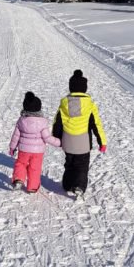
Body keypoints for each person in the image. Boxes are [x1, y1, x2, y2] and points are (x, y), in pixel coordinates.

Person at [53, 69, 107, 197]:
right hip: (83, 143)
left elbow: (57, 123)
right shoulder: (90, 105)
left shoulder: (64, 104)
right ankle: (79, 186)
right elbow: (96, 125)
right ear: (84, 88)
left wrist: (56, 138)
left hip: (68, 142)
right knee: (82, 166)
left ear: (71, 88)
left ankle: (67, 184)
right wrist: (102, 142)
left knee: (69, 164)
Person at [9, 92, 61, 193]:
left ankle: (18, 179)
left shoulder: (21, 121)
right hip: (38, 152)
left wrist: (12, 147)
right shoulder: (42, 122)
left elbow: (15, 136)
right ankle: (32, 187)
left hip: (24, 150)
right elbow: (47, 138)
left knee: (21, 163)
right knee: (35, 168)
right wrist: (59, 142)